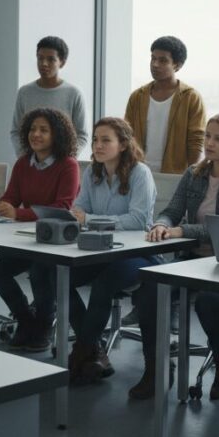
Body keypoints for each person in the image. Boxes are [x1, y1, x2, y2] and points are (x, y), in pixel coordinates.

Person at [130, 113, 219, 400]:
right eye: (207, 137)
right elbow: (171, 209)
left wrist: (180, 230)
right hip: (191, 261)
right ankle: (157, 369)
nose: (209, 143)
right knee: (149, 292)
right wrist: (162, 224)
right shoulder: (194, 174)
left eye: (218, 138)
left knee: (208, 301)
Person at [65, 117, 156, 384]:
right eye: (95, 139)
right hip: (98, 250)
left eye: (106, 140)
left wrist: (90, 220)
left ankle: (81, 351)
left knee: (104, 284)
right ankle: (94, 349)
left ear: (124, 144)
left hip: (136, 254)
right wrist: (82, 218)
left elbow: (139, 221)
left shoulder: (140, 173)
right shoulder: (92, 172)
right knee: (56, 277)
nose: (98, 145)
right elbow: (77, 211)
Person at [0, 107, 80, 353]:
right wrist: (3, 205)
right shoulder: (22, 163)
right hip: (27, 238)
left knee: (41, 272)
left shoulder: (68, 165)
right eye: (32, 129)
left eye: (43, 130)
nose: (35, 134)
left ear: (57, 135)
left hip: (56, 240)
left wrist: (18, 213)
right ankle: (26, 320)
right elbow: (12, 197)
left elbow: (62, 208)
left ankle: (43, 323)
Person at [125, 35, 205, 174]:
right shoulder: (137, 97)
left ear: (177, 65)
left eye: (163, 60)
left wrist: (193, 176)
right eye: (153, 58)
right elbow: (126, 135)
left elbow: (196, 141)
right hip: (138, 171)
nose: (155, 64)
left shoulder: (191, 98)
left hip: (175, 174)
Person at [10, 36, 88, 154]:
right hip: (30, 163)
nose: (44, 64)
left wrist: (66, 159)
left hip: (62, 164)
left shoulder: (74, 94)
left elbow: (82, 135)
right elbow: (16, 131)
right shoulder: (24, 92)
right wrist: (25, 157)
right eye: (40, 58)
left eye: (51, 59)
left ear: (62, 62)